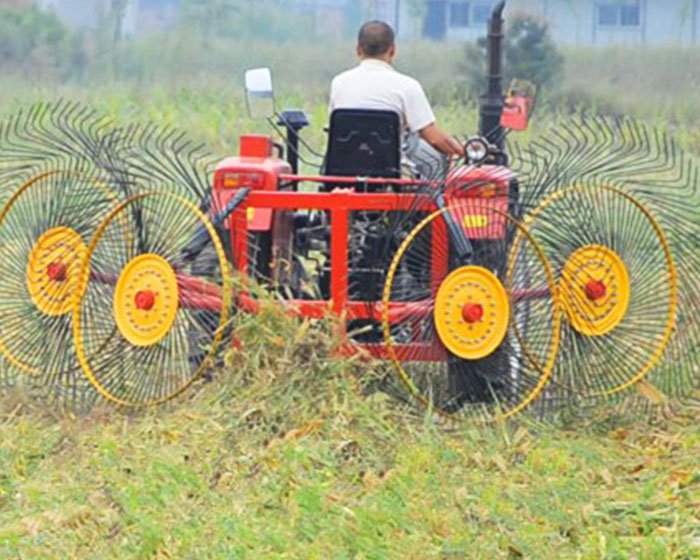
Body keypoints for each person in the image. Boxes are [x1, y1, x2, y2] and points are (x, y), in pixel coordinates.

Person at [329, 20, 463, 179]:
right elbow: (434, 139)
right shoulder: (407, 86)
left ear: (358, 50)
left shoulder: (339, 83)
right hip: (392, 176)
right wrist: (464, 152)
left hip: (342, 172)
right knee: (429, 189)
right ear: (392, 51)